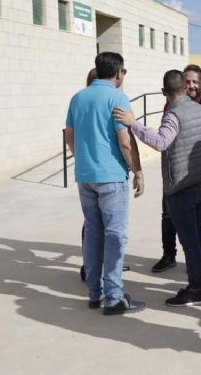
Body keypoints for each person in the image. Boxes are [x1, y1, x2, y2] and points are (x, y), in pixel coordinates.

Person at [114, 70, 201, 307]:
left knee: (189, 241)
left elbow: (161, 141)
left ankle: (195, 290)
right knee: (199, 235)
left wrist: (133, 124)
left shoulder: (173, 114)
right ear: (185, 87)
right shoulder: (200, 109)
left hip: (181, 186)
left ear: (164, 93)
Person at [65, 52, 145, 315]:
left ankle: (94, 293)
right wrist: (138, 171)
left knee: (93, 233)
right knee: (115, 236)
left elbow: (69, 135)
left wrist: (83, 158)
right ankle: (113, 297)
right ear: (119, 73)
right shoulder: (118, 98)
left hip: (85, 176)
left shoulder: (78, 98)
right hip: (111, 177)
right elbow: (125, 141)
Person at [152, 64, 201, 298]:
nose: (191, 85)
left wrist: (134, 125)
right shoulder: (172, 105)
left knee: (196, 229)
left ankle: (198, 280)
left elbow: (161, 141)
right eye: (187, 81)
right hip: (180, 176)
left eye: (195, 82)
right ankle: (173, 258)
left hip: (192, 178)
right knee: (173, 219)